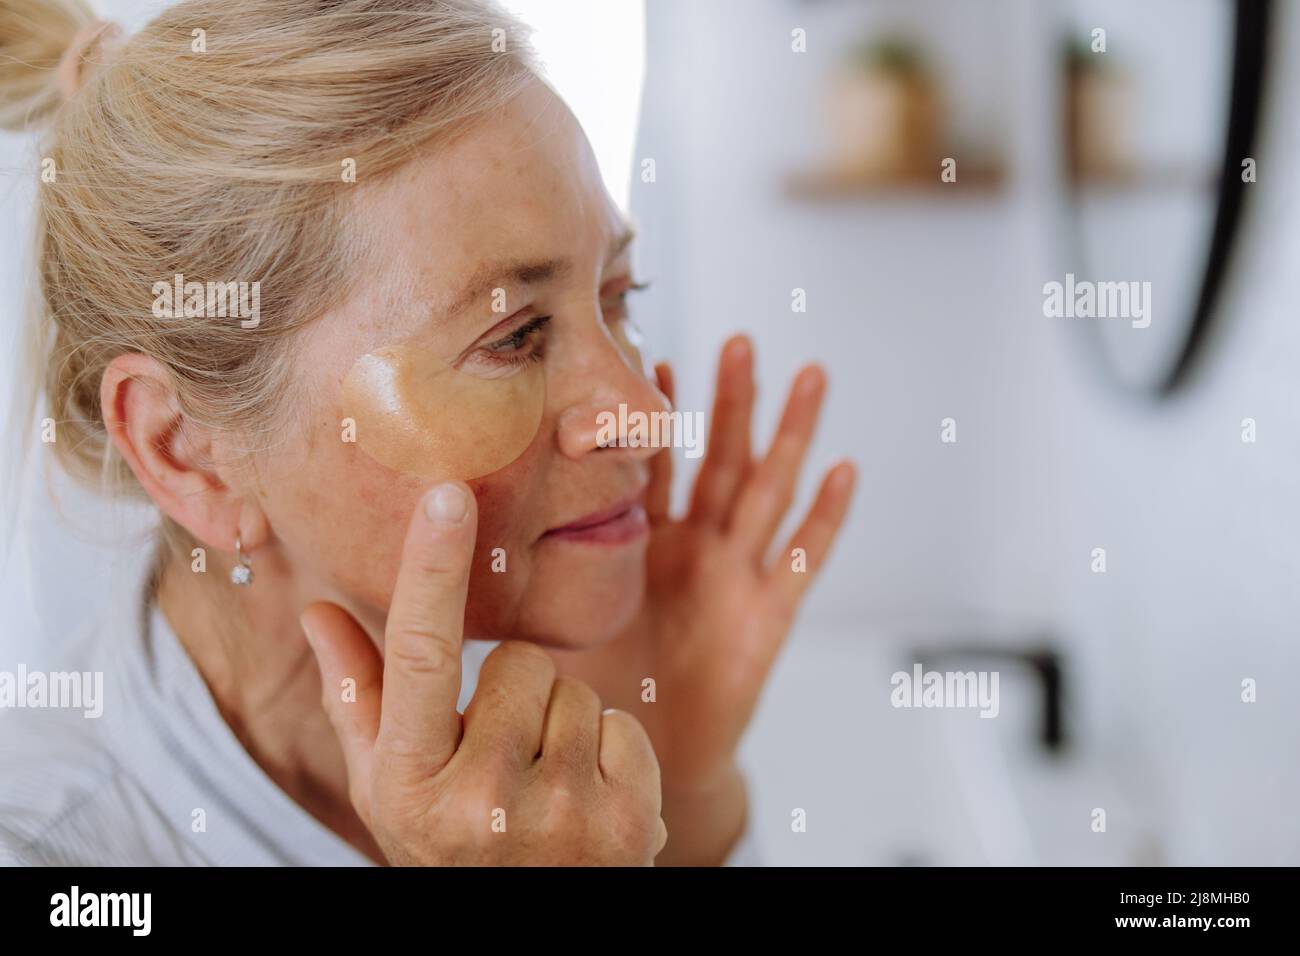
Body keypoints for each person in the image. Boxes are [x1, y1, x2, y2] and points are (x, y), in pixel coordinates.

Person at [0, 0, 856, 866]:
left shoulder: (549, 706)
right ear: (189, 452)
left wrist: (676, 794)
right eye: (513, 336)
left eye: (617, 297)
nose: (645, 413)